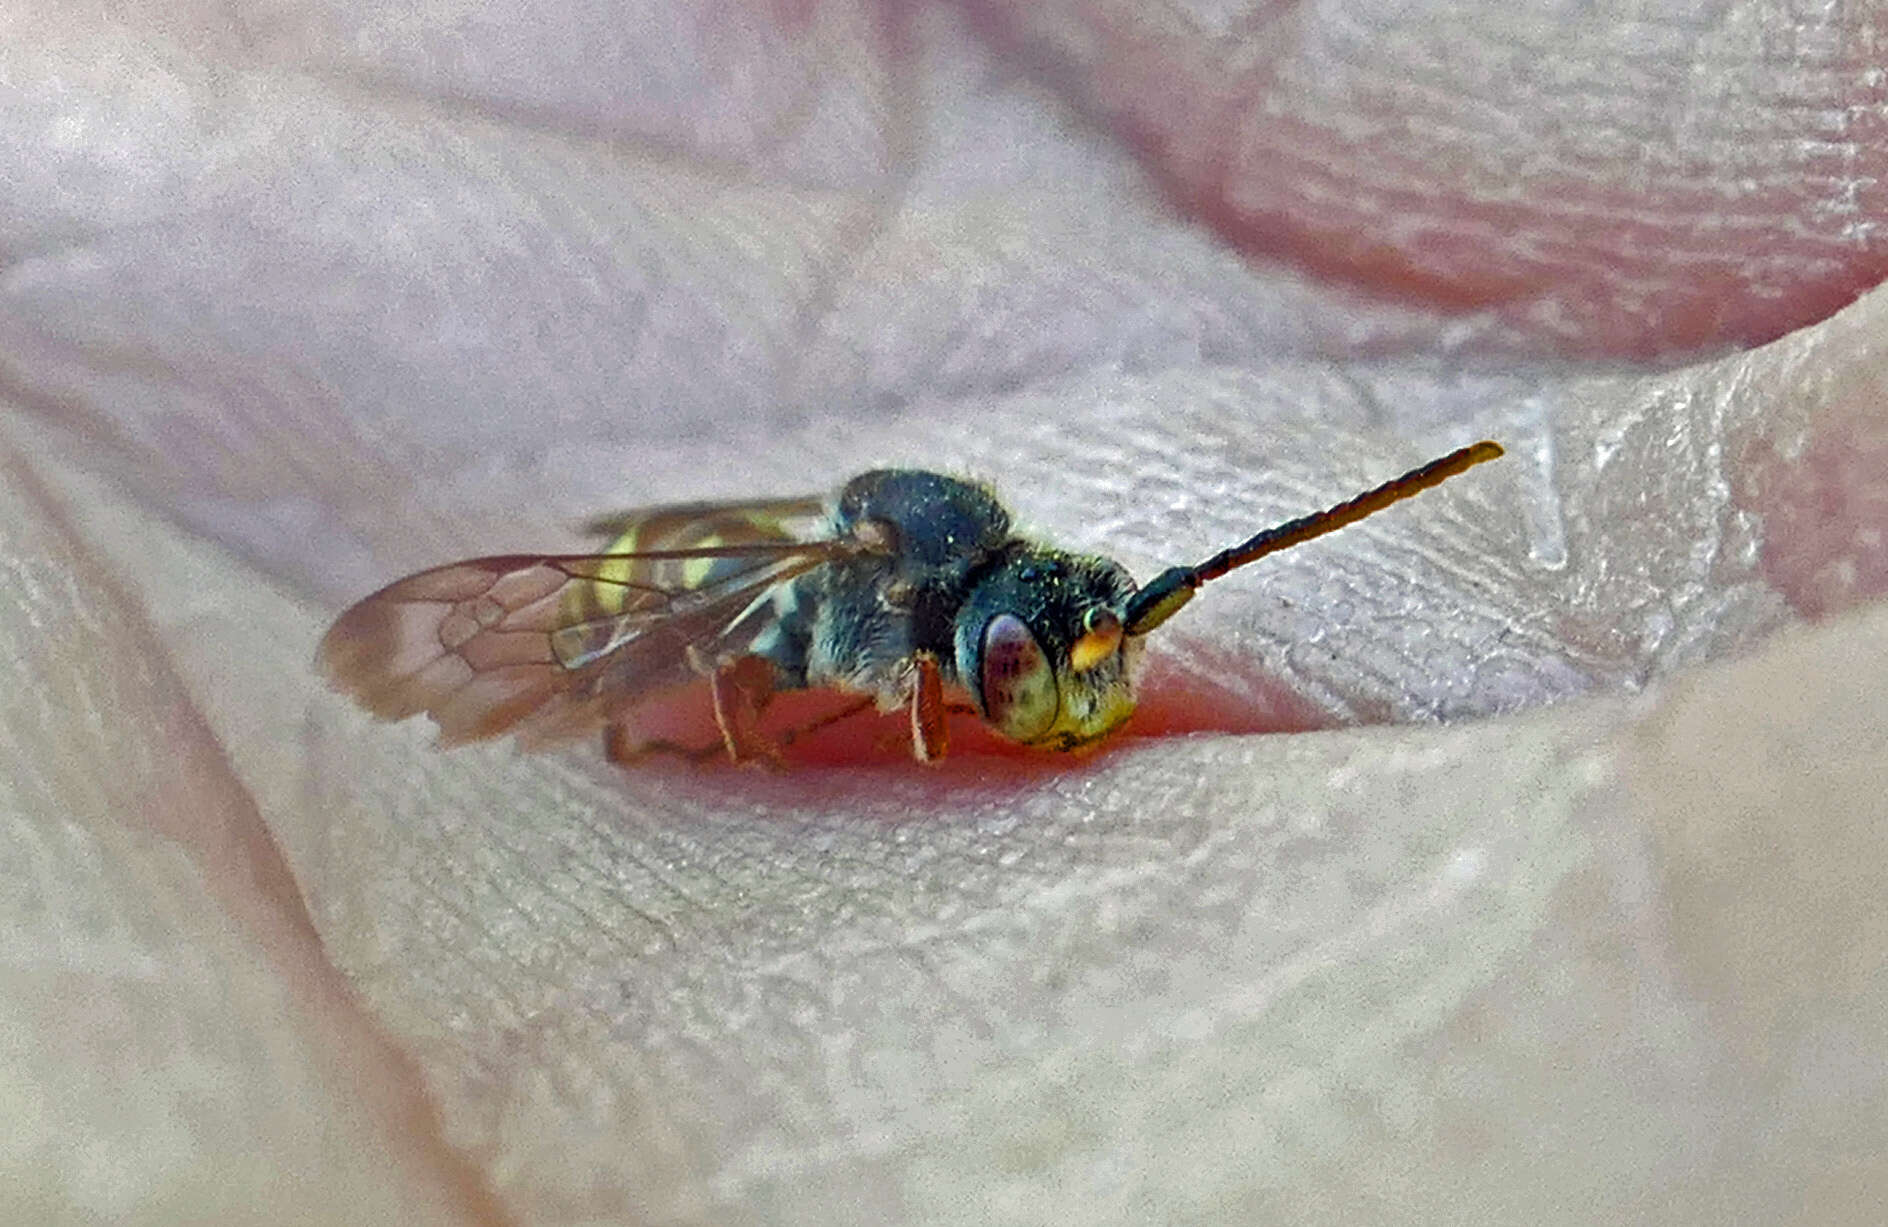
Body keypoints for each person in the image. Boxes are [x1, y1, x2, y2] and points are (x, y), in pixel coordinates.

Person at [4, 1, 1885, 1221]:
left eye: (1079, 660)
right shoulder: (845, 616)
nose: (1066, 693)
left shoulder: (1005, 600)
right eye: (1034, 670)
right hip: (657, 606)